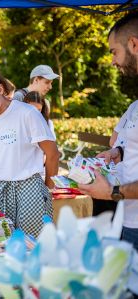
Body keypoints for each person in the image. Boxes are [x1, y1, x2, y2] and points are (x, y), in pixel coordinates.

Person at [0, 58, 59, 238]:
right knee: (2, 247)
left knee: (33, 247)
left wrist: (48, 186)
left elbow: (52, 153)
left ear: (1, 89)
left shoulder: (27, 113)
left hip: (29, 190)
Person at [79, 11, 138, 244]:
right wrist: (119, 152)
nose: (112, 61)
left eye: (114, 52)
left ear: (133, 43)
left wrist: (112, 192)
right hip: (130, 218)